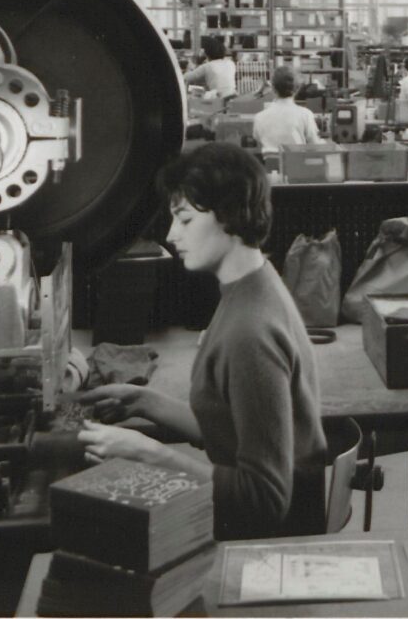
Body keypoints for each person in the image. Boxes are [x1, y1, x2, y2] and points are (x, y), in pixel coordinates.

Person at [76, 144, 328, 540]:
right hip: (265, 521)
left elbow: (265, 500)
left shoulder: (251, 331)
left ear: (229, 216)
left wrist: (150, 454)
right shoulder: (251, 286)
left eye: (185, 219)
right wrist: (143, 401)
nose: (172, 235)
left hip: (268, 540)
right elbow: (236, 428)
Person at [252, 66, 322, 152]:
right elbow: (314, 146)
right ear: (297, 88)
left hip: (269, 164)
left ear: (273, 88)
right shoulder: (305, 114)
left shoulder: (259, 117)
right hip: (297, 164)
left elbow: (259, 143)